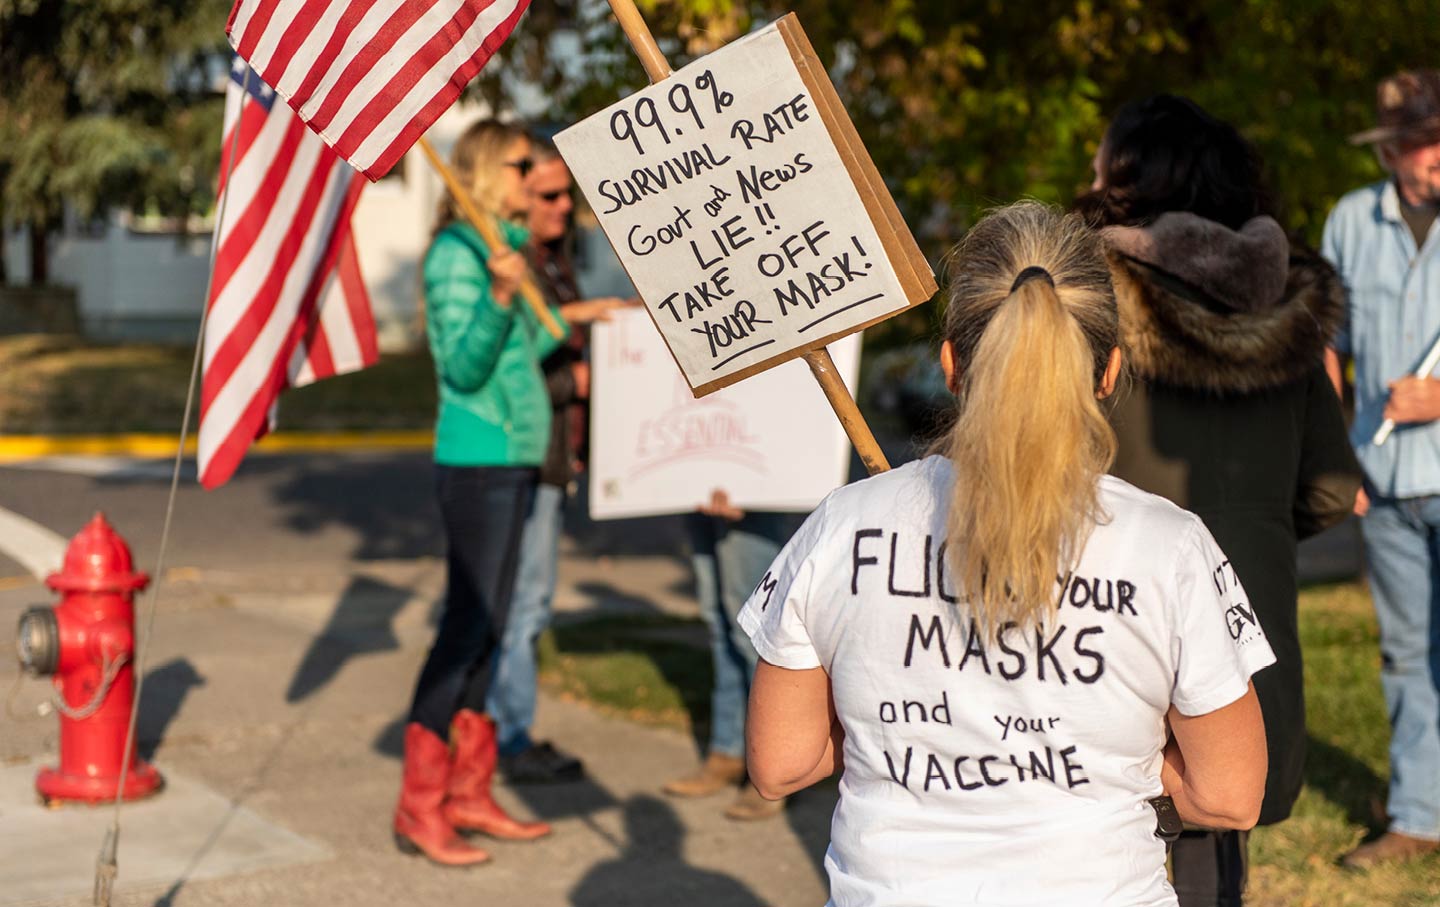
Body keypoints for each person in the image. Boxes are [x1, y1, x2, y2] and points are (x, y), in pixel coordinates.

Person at [740, 201, 1273, 906]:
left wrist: (894, 729)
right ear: (1110, 370)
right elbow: (1230, 795)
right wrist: (1115, 759)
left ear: (952, 364)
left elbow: (781, 764)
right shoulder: (1171, 546)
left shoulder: (843, 526)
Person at [1077, 95, 1362, 903]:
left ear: (1128, 184)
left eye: (1099, 165)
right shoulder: (1296, 322)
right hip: (1245, 635)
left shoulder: (1082, 307)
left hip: (1102, 627)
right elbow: (1334, 491)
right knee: (1214, 847)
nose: (1085, 178)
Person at [393, 120, 564, 866]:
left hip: (515, 459)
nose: (534, 175)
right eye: (523, 163)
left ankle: (468, 792)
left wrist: (574, 321)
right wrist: (500, 294)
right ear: (490, 168)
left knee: (491, 632)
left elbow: (525, 353)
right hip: (479, 460)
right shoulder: (456, 254)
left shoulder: (503, 247)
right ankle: (419, 806)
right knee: (466, 628)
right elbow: (462, 368)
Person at [1323, 68, 1440, 870]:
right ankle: (1418, 815)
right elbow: (1326, 346)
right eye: (1425, 143)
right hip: (1389, 485)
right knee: (1403, 652)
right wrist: (1338, 453)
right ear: (1395, 149)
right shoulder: (1348, 222)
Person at [485, 140, 630, 784]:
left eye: (567, 195)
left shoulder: (552, 263)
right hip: (526, 461)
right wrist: (579, 380)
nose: (562, 207)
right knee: (524, 605)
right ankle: (506, 739)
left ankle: (500, 731)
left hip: (552, 463)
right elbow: (505, 374)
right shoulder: (512, 268)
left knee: (525, 602)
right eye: (547, 194)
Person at [662, 491, 800, 821]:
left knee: (756, 632)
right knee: (718, 622)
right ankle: (728, 751)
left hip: (752, 489)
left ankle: (773, 770)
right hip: (701, 485)